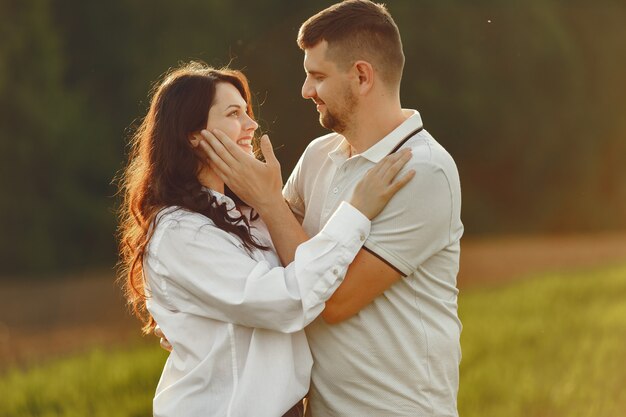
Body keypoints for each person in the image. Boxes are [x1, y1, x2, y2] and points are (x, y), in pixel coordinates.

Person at [199, 1, 464, 416]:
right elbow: (268, 257)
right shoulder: (320, 154)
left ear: (361, 76)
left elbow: (334, 300)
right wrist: (199, 313)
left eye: (317, 76)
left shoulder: (424, 171)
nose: (305, 90)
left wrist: (268, 199)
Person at [117, 61, 415, 417]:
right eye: (233, 114)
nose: (251, 125)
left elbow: (308, 263)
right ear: (193, 135)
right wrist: (356, 211)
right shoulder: (180, 232)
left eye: (247, 112)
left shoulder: (245, 214)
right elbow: (289, 299)